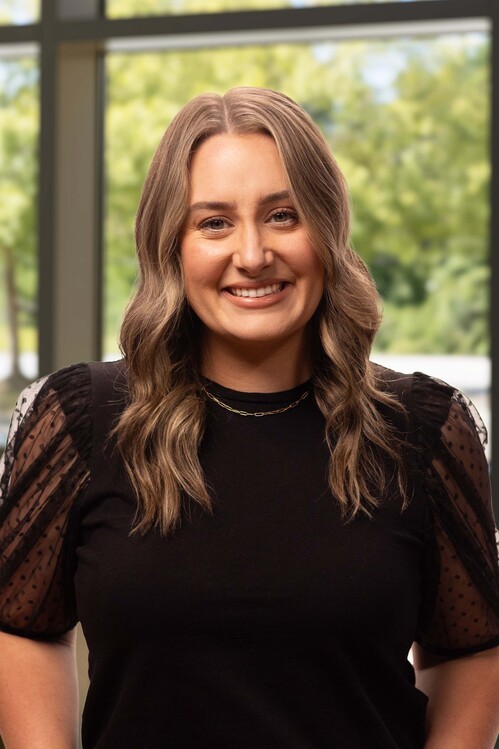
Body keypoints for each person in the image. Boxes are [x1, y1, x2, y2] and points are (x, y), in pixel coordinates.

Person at [0, 87, 498, 749]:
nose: (254, 253)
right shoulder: (79, 419)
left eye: (283, 215)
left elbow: (469, 650)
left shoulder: (424, 428)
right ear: (171, 244)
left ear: (326, 229)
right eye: (214, 223)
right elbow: (23, 628)